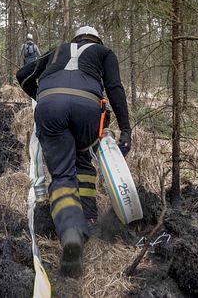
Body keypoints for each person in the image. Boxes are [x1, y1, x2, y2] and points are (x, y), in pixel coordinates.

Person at [16, 25, 131, 277]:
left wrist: (45, 94)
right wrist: (126, 130)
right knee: (83, 160)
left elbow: (23, 73)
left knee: (62, 176)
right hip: (87, 109)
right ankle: (88, 216)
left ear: (75, 40)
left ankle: (70, 233)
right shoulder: (104, 52)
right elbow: (114, 88)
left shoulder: (58, 51)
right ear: (96, 40)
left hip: (50, 109)